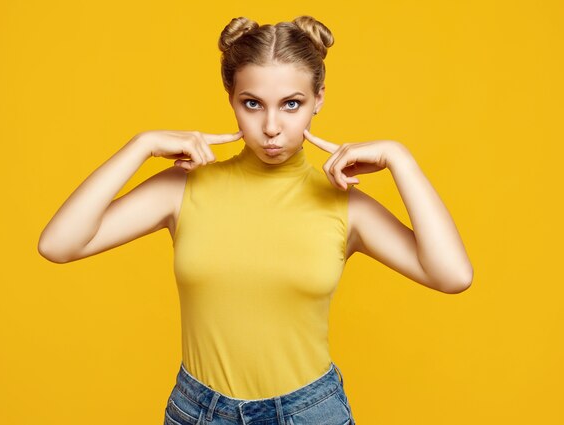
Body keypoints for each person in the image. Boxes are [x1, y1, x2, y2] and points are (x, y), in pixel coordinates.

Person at [38, 15, 473, 425]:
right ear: (230, 98)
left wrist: (401, 159)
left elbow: (452, 275)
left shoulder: (345, 204)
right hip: (199, 410)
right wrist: (141, 145)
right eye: (252, 103)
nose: (270, 126)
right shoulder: (183, 188)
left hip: (308, 411)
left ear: (318, 100)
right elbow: (58, 245)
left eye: (291, 104)